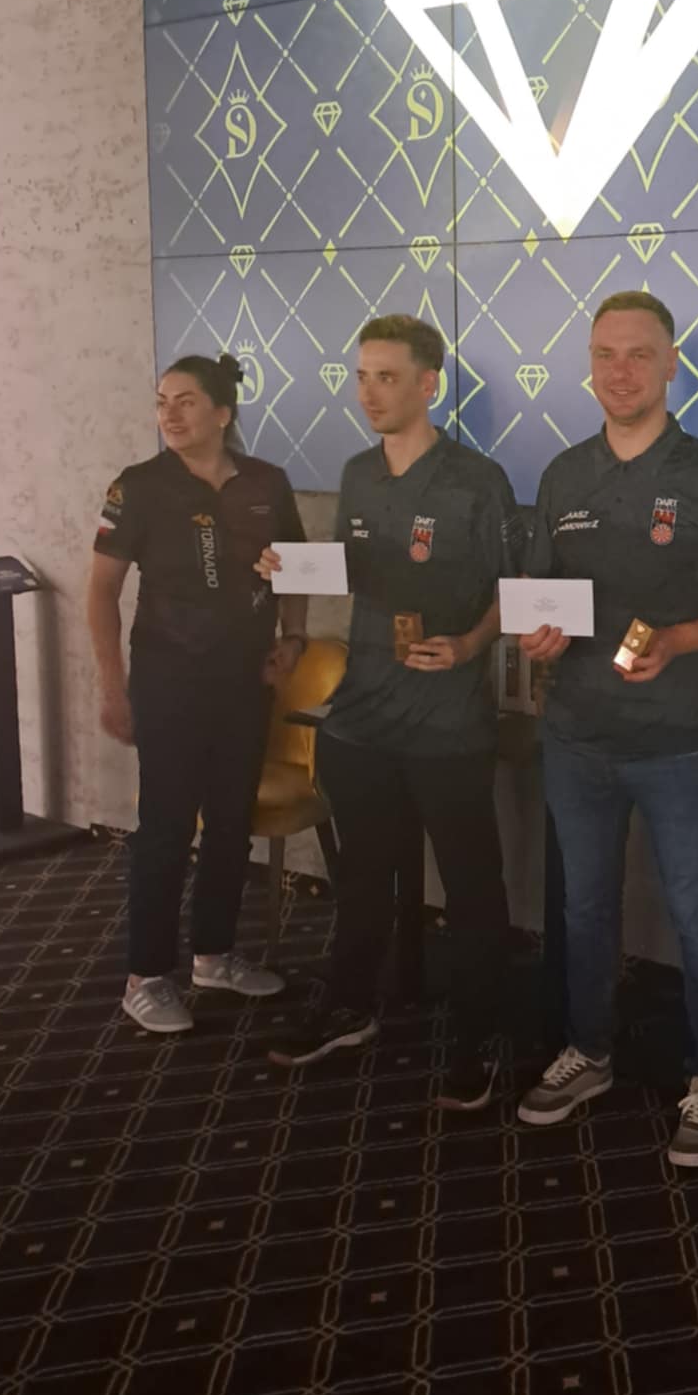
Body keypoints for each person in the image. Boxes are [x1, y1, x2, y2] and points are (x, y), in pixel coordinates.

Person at [517, 292, 698, 1167]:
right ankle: (589, 1051)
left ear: (673, 365)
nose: (620, 371)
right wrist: (538, 634)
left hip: (678, 742)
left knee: (697, 918)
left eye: (639, 354)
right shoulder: (563, 475)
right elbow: (542, 599)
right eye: (605, 354)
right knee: (584, 909)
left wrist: (679, 640)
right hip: (576, 737)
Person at [257, 315, 519, 1112]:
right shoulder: (359, 473)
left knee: (471, 889)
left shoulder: (478, 480)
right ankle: (349, 1007)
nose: (369, 393)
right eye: (362, 377)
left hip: (447, 726)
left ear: (428, 384)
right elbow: (354, 567)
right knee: (364, 879)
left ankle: (479, 1033)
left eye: (387, 378)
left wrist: (470, 644)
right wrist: (288, 566)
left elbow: (513, 589)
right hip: (361, 719)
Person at [89, 352, 308, 1033]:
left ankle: (214, 955)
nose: (170, 414)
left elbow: (295, 569)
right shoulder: (139, 486)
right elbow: (100, 593)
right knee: (166, 825)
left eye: (185, 401)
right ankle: (146, 976)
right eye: (162, 401)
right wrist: (113, 687)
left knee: (232, 822)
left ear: (222, 412)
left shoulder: (267, 482)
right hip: (168, 678)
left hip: (244, 678)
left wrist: (294, 638)